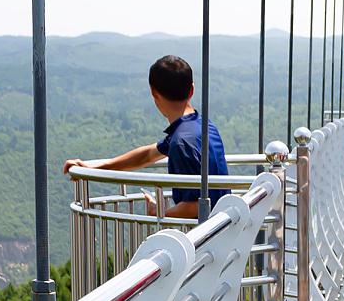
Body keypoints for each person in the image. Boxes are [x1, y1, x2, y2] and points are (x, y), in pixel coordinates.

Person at [63, 54, 228, 219]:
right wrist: (91, 168)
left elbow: (195, 207)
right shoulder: (201, 126)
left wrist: (157, 213)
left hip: (207, 239)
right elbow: (147, 154)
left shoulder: (181, 142)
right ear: (191, 89)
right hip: (225, 229)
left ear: (154, 93)